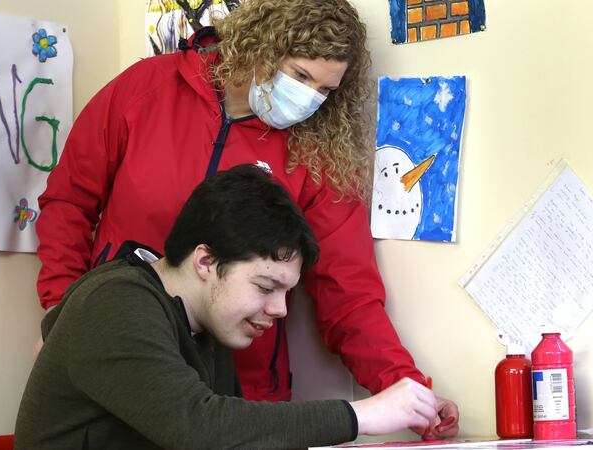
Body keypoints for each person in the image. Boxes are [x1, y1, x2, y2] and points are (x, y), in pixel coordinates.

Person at [35, 0, 459, 438]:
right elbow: (69, 201)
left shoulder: (321, 153)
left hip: (242, 386)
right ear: (259, 47)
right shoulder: (147, 88)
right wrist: (64, 314)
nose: (309, 99)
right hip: (127, 347)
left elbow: (349, 293)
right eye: (300, 77)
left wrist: (408, 391)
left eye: (325, 90)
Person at [16, 165, 442, 449]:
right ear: (205, 261)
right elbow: (199, 429)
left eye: (286, 293)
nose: (280, 310)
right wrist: (361, 415)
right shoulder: (115, 303)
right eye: (265, 286)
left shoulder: (206, 324)